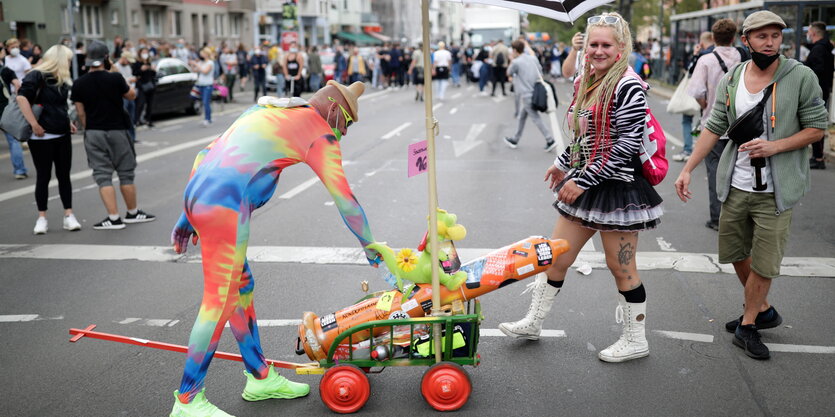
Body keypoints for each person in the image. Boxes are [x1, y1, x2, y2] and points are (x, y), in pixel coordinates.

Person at [168, 80, 382, 417]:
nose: (347, 131)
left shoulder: (270, 109)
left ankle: (260, 377)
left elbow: (205, 154)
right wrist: (371, 246)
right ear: (334, 109)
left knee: (241, 287)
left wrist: (187, 212)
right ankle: (188, 399)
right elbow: (346, 201)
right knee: (218, 301)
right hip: (224, 205)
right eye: (349, 122)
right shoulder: (319, 132)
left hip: (203, 196)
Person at [499, 13, 662, 363]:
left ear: (621, 49)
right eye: (594, 44)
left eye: (606, 45)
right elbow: (585, 137)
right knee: (557, 256)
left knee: (621, 267)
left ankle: (636, 340)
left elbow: (626, 147)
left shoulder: (628, 85)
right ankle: (534, 322)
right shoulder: (588, 80)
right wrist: (562, 164)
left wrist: (581, 180)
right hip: (585, 183)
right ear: (586, 47)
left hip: (617, 189)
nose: (599, 50)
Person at [674, 11, 828, 360]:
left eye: (775, 36)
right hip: (737, 182)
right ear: (746, 41)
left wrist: (775, 145)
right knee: (734, 252)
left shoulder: (801, 77)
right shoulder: (733, 77)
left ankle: (748, 325)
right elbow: (714, 125)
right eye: (762, 36)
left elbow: (818, 127)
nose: (770, 42)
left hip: (776, 188)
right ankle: (764, 309)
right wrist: (688, 169)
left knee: (764, 261)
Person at [71, 41, 155, 230]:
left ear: (87, 59)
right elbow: (132, 95)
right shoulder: (115, 78)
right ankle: (133, 213)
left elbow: (80, 112)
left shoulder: (79, 84)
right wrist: (114, 68)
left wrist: (90, 128)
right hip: (118, 130)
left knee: (102, 175)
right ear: (106, 58)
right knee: (125, 173)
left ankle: (114, 218)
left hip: (94, 132)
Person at [16, 44, 82, 234]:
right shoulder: (36, 75)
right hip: (40, 137)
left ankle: (69, 215)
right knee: (43, 177)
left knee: (64, 176)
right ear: (60, 60)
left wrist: (67, 120)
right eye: (68, 60)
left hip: (61, 134)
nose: (70, 63)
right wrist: (34, 124)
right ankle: (42, 218)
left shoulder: (60, 79)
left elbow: (59, 105)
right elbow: (22, 99)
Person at [686, 20, 745, 231]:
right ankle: (738, 216)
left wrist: (706, 106)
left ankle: (717, 218)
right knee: (740, 173)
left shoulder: (706, 60)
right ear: (735, 37)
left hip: (713, 126)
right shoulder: (743, 58)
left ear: (713, 37)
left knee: (715, 173)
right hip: (742, 124)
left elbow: (696, 91)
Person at [503, 40, 557, 152]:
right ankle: (515, 139)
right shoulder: (533, 58)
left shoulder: (516, 62)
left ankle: (550, 139)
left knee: (536, 118)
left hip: (526, 94)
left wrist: (511, 60)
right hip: (535, 91)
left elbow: (508, 73)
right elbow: (540, 71)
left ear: (514, 50)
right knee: (522, 117)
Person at [804, 21, 834, 170]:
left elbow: (816, 71)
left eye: (808, 32)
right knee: (817, 122)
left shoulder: (818, 50)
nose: (807, 35)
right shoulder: (825, 48)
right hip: (823, 91)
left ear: (814, 34)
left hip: (816, 94)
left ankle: (818, 158)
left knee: (815, 124)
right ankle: (817, 156)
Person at [1, 46, 28, 179]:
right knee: (13, 142)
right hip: (5, 111)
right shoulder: (6, 71)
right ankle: (19, 171)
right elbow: (18, 84)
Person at [113, 51, 137, 142]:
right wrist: (129, 80)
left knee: (131, 117)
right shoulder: (116, 67)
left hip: (129, 92)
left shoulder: (128, 67)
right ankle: (125, 138)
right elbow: (120, 80)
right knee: (124, 116)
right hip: (123, 95)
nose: (129, 63)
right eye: (128, 60)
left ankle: (132, 137)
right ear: (123, 58)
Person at [132, 47, 156, 127]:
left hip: (150, 86)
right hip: (141, 86)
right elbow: (134, 73)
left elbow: (153, 75)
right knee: (140, 104)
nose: (145, 54)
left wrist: (153, 70)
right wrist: (141, 69)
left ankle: (148, 120)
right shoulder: (137, 63)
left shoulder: (149, 62)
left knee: (150, 104)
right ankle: (137, 120)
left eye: (146, 52)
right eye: (143, 52)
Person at [192, 47, 215, 126]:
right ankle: (207, 118)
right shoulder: (201, 62)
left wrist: (197, 65)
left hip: (207, 85)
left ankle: (208, 119)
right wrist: (193, 64)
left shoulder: (210, 63)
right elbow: (195, 70)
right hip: (201, 85)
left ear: (206, 54)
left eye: (202, 53)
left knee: (206, 102)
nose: (201, 55)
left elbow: (205, 71)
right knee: (203, 102)